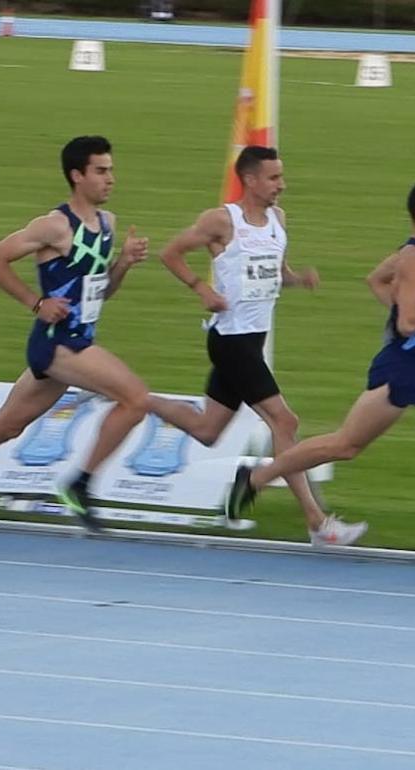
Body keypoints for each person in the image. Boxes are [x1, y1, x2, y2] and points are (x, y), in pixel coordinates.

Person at [224, 179, 415, 569]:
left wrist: (400, 310)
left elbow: (375, 280)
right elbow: (410, 323)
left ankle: (256, 479)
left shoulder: (411, 254)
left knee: (349, 445)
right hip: (409, 366)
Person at [0, 135, 150, 540]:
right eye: (101, 171)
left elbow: (101, 291)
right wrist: (36, 303)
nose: (111, 179)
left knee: (6, 426)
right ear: (77, 176)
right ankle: (79, 485)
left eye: (111, 170)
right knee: (137, 399)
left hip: (75, 338)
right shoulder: (54, 226)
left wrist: (123, 262)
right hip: (58, 343)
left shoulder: (107, 225)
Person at [151, 145, 366, 546]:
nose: (281, 185)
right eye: (273, 178)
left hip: (254, 338)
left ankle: (137, 400)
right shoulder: (221, 221)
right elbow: (171, 253)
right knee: (285, 422)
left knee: (207, 429)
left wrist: (298, 279)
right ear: (249, 180)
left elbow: (273, 274)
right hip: (231, 342)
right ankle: (317, 523)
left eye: (281, 177)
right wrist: (201, 288)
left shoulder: (278, 221)